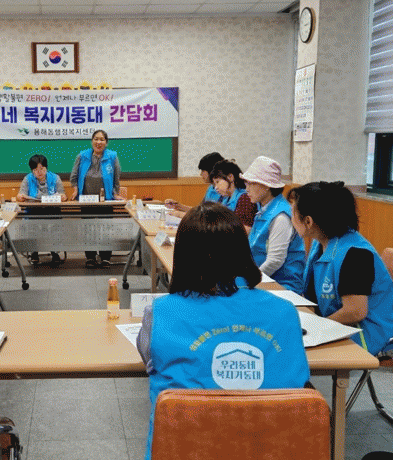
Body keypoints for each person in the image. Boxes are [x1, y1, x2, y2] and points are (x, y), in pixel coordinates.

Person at [136, 202, 309, 460]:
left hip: (186, 450)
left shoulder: (159, 313)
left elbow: (150, 361)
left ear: (182, 256)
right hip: (270, 449)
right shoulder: (285, 312)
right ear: (243, 251)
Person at [288, 181, 393, 355]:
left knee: (289, 351)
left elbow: (355, 312)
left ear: (308, 221)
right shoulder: (321, 244)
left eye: (293, 212)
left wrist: (316, 326)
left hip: (367, 335)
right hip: (342, 326)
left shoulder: (355, 254)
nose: (290, 217)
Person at [241, 156, 305, 293]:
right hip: (264, 279)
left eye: (251, 184)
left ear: (266, 186)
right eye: (246, 183)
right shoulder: (264, 209)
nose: (247, 189)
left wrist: (250, 282)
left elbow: (275, 260)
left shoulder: (280, 216)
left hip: (283, 285)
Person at [69, 129, 123, 267]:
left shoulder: (112, 157)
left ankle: (105, 257)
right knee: (88, 229)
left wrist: (116, 193)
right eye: (96, 139)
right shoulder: (82, 156)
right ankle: (90, 257)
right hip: (86, 200)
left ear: (106, 143)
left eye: (102, 139)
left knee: (106, 229)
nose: (99, 142)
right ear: (92, 141)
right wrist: (75, 190)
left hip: (106, 200)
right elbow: (74, 176)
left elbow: (116, 177)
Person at [16, 154, 66, 265]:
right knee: (32, 226)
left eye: (42, 169)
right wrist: (21, 197)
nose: (39, 172)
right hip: (33, 211)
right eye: (35, 170)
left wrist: (62, 197)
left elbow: (63, 194)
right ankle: (34, 252)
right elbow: (20, 194)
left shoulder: (55, 178)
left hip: (52, 210)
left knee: (55, 226)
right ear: (32, 170)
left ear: (46, 168)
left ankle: (54, 251)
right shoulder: (28, 179)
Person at [164, 152, 223, 218]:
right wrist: (179, 206)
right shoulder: (211, 188)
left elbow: (210, 218)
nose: (201, 174)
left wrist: (181, 215)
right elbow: (200, 211)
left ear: (211, 170)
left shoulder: (223, 191)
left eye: (203, 170)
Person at [211, 159, 256, 231]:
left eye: (217, 182)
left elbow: (244, 231)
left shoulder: (245, 199)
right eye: (214, 184)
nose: (216, 187)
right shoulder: (224, 198)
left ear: (230, 177)